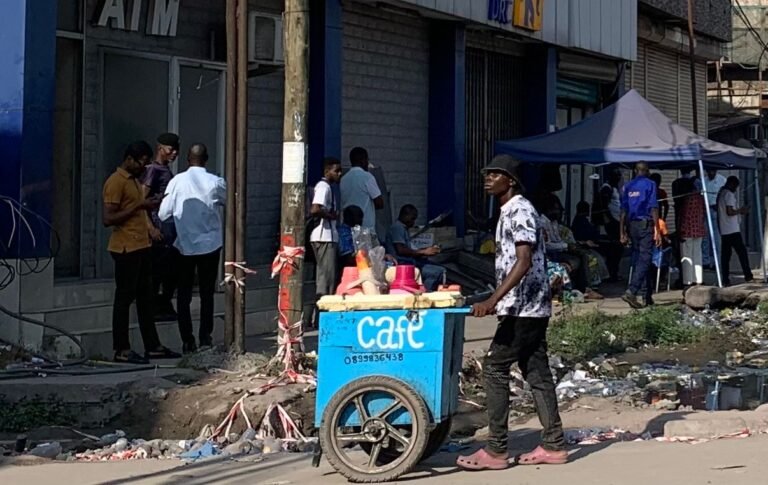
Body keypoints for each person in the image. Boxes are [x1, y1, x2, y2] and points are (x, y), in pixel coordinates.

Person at [457, 155, 565, 471]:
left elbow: (524, 260)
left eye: (495, 174)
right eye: (487, 173)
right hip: (525, 306)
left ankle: (496, 450)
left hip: (524, 307)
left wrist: (493, 300)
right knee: (537, 372)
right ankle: (554, 445)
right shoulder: (508, 210)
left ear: (511, 181)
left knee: (494, 366)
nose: (488, 178)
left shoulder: (520, 210)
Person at [103, 141, 180, 364]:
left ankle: (153, 346)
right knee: (124, 298)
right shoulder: (115, 182)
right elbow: (108, 218)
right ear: (129, 159)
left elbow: (136, 209)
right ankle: (121, 349)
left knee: (146, 299)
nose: (143, 167)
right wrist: (138, 207)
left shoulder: (135, 181)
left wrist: (149, 205)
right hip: (125, 248)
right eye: (141, 162)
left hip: (142, 246)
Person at [158, 144, 226, 353]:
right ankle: (205, 337)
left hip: (185, 245)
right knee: (207, 294)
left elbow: (163, 214)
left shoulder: (177, 181)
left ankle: (187, 340)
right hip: (211, 244)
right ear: (206, 159)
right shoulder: (216, 182)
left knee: (184, 295)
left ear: (188, 159)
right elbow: (229, 201)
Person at [141, 132, 181, 321]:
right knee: (158, 270)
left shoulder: (165, 170)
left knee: (170, 270)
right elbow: (141, 201)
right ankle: (155, 305)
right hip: (158, 227)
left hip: (168, 227)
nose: (174, 153)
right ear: (160, 149)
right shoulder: (153, 170)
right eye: (170, 149)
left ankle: (164, 303)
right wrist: (150, 227)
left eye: (176, 149)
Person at [620, 162, 661, 309]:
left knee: (641, 260)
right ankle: (632, 290)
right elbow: (653, 207)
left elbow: (623, 211)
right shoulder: (650, 184)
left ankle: (647, 297)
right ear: (647, 171)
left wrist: (622, 232)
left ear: (635, 171)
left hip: (632, 226)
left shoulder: (628, 186)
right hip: (645, 225)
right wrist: (657, 229)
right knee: (645, 258)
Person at [385, 205, 445, 291]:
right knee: (437, 272)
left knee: (439, 268)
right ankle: (426, 292)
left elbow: (410, 250)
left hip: (409, 261)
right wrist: (423, 252)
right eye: (412, 218)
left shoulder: (403, 228)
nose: (413, 222)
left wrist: (427, 251)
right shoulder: (397, 228)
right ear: (405, 215)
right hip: (402, 264)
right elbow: (401, 250)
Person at [309, 158, 342, 299]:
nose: (339, 174)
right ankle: (323, 306)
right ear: (327, 171)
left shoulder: (328, 187)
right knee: (326, 276)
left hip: (328, 236)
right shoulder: (324, 187)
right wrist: (330, 215)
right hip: (324, 237)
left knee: (327, 274)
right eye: (336, 171)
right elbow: (315, 209)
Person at [717, 176, 753, 287]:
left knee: (725, 255)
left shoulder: (721, 193)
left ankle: (725, 278)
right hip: (732, 229)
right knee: (741, 252)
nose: (736, 189)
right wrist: (741, 211)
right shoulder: (729, 194)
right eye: (736, 186)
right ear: (732, 184)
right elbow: (730, 211)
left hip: (724, 229)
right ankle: (748, 274)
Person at [340, 147, 384, 235]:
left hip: (349, 228)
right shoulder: (367, 177)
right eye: (367, 160)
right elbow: (379, 203)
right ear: (362, 160)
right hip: (366, 228)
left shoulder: (343, 179)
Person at [677, 177, 705, 287]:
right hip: (699, 229)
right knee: (697, 255)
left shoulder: (686, 199)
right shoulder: (700, 198)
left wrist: (681, 230)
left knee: (687, 256)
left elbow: (684, 216)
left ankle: (687, 281)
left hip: (687, 231)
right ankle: (698, 279)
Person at [599, 169, 624, 280]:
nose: (619, 179)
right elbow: (603, 205)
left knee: (618, 249)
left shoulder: (614, 188)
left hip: (617, 221)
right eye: (617, 177)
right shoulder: (606, 188)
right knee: (613, 249)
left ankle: (615, 272)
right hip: (611, 222)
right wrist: (607, 220)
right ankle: (611, 273)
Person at [701, 169, 726, 269]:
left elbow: (724, 195)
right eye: (709, 171)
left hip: (715, 209)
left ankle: (716, 261)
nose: (711, 173)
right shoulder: (704, 180)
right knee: (705, 236)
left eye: (713, 171)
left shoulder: (722, 180)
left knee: (716, 236)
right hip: (705, 209)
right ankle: (706, 261)